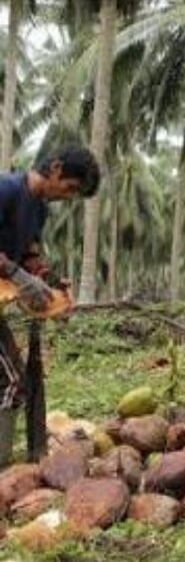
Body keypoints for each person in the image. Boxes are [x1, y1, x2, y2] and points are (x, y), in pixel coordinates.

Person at [0, 143, 101, 465]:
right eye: (70, 188)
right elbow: (14, 266)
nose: (68, 197)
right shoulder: (7, 190)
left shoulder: (39, 208)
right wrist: (15, 273)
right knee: (13, 380)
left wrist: (47, 278)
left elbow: (29, 254)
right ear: (56, 168)